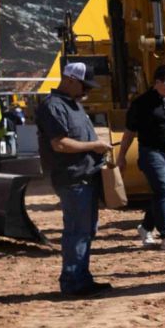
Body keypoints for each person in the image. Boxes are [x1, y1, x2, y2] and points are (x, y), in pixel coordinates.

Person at [33, 62, 116, 298]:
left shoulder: (73, 105)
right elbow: (59, 144)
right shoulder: (53, 107)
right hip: (72, 178)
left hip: (85, 176)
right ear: (69, 80)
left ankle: (82, 277)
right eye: (83, 85)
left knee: (86, 230)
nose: (86, 91)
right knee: (77, 231)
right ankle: (73, 282)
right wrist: (95, 146)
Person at [119, 66, 165, 250]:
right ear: (157, 82)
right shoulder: (141, 104)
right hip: (151, 152)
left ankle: (146, 226)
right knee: (163, 190)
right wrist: (122, 156)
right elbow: (129, 132)